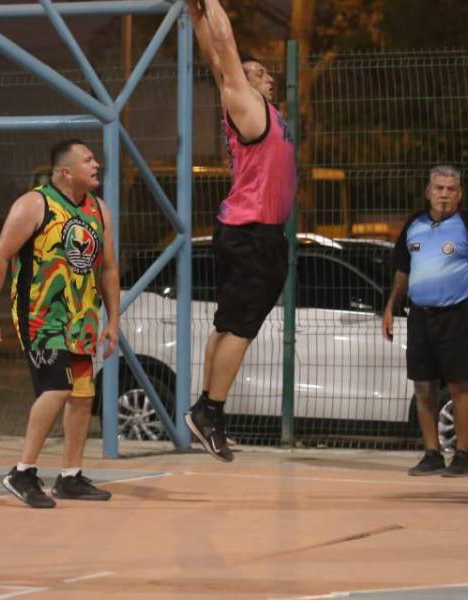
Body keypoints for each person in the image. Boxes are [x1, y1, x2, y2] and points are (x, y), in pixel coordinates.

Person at [183, 0, 297, 462]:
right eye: (256, 72)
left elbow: (214, 54)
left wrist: (195, 14)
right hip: (253, 233)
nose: (266, 76)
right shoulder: (245, 104)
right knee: (240, 328)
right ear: (241, 81)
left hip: (250, 231)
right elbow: (224, 48)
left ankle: (206, 408)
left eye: (266, 72)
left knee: (229, 325)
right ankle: (210, 411)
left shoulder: (255, 108)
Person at [0, 139, 120, 508]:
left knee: (83, 397)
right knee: (57, 389)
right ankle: (22, 472)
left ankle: (70, 476)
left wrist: (113, 319)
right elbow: (0, 258)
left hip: (82, 316)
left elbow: (108, 268)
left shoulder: (99, 210)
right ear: (66, 171)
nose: (96, 164)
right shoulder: (33, 205)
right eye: (88, 160)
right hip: (41, 315)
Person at [382, 166, 468, 478]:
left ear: (459, 194)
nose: (444, 195)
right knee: (423, 386)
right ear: (428, 192)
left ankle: (462, 455)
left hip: (456, 316)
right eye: (439, 188)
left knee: (459, 384)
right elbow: (403, 271)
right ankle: (432, 453)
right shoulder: (414, 225)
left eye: (450, 189)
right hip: (419, 316)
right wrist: (390, 307)